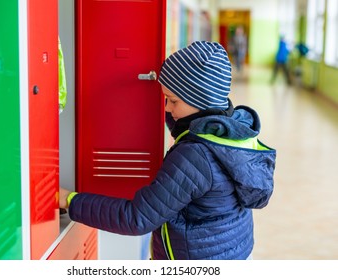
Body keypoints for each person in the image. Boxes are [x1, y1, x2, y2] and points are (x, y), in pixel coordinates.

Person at [59, 41, 276, 260]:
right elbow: (187, 128)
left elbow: (136, 218)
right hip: (231, 249)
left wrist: (69, 199)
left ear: (200, 101)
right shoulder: (231, 130)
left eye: (173, 101)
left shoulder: (194, 156)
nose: (166, 108)